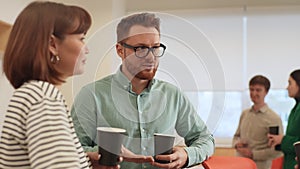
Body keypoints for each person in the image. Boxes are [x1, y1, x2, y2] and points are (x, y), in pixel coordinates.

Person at [71, 12, 214, 169]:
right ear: (120, 50)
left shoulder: (173, 95)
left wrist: (187, 155)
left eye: (155, 48)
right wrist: (102, 154)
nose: (151, 57)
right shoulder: (91, 95)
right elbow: (72, 150)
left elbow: (205, 139)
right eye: (141, 49)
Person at [0, 1, 122, 169]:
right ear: (52, 45)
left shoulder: (32, 92)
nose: (87, 49)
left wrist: (84, 162)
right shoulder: (43, 96)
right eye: (81, 39)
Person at [233, 75, 283, 169]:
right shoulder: (245, 114)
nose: (254, 93)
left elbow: (277, 151)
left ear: (266, 92)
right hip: (240, 164)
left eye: (258, 90)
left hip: (260, 166)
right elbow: (236, 136)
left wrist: (253, 154)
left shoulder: (273, 118)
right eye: (251, 89)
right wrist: (237, 144)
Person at [268, 69, 300, 169]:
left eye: (290, 83)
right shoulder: (295, 109)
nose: (287, 88)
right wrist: (279, 141)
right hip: (290, 162)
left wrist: (283, 140)